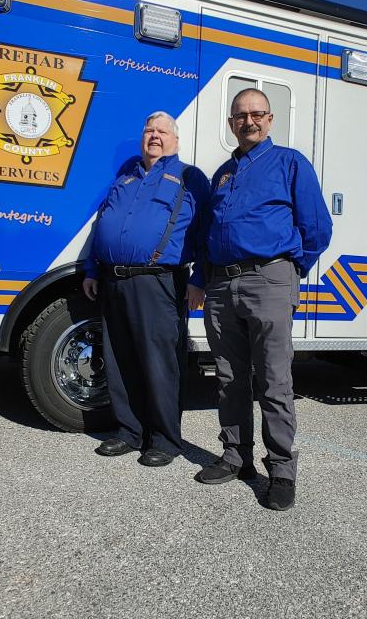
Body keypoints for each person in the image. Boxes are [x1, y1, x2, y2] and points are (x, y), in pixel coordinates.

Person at [196, 88, 331, 511]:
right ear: (231, 122)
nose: (248, 121)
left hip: (269, 279)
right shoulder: (222, 173)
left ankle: (282, 471)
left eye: (256, 114)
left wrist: (288, 270)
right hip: (221, 285)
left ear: (270, 119)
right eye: (240, 115)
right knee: (229, 377)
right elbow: (207, 235)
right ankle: (237, 457)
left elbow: (317, 228)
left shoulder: (290, 163)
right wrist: (203, 278)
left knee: (273, 381)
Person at [83, 111, 209, 467]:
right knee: (121, 359)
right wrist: (93, 270)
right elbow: (101, 225)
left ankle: (165, 439)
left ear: (175, 139)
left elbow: (206, 231)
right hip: (114, 279)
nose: (154, 136)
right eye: (149, 130)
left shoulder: (189, 177)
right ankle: (129, 431)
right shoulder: (125, 177)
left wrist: (200, 279)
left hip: (159, 281)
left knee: (160, 363)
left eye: (162, 131)